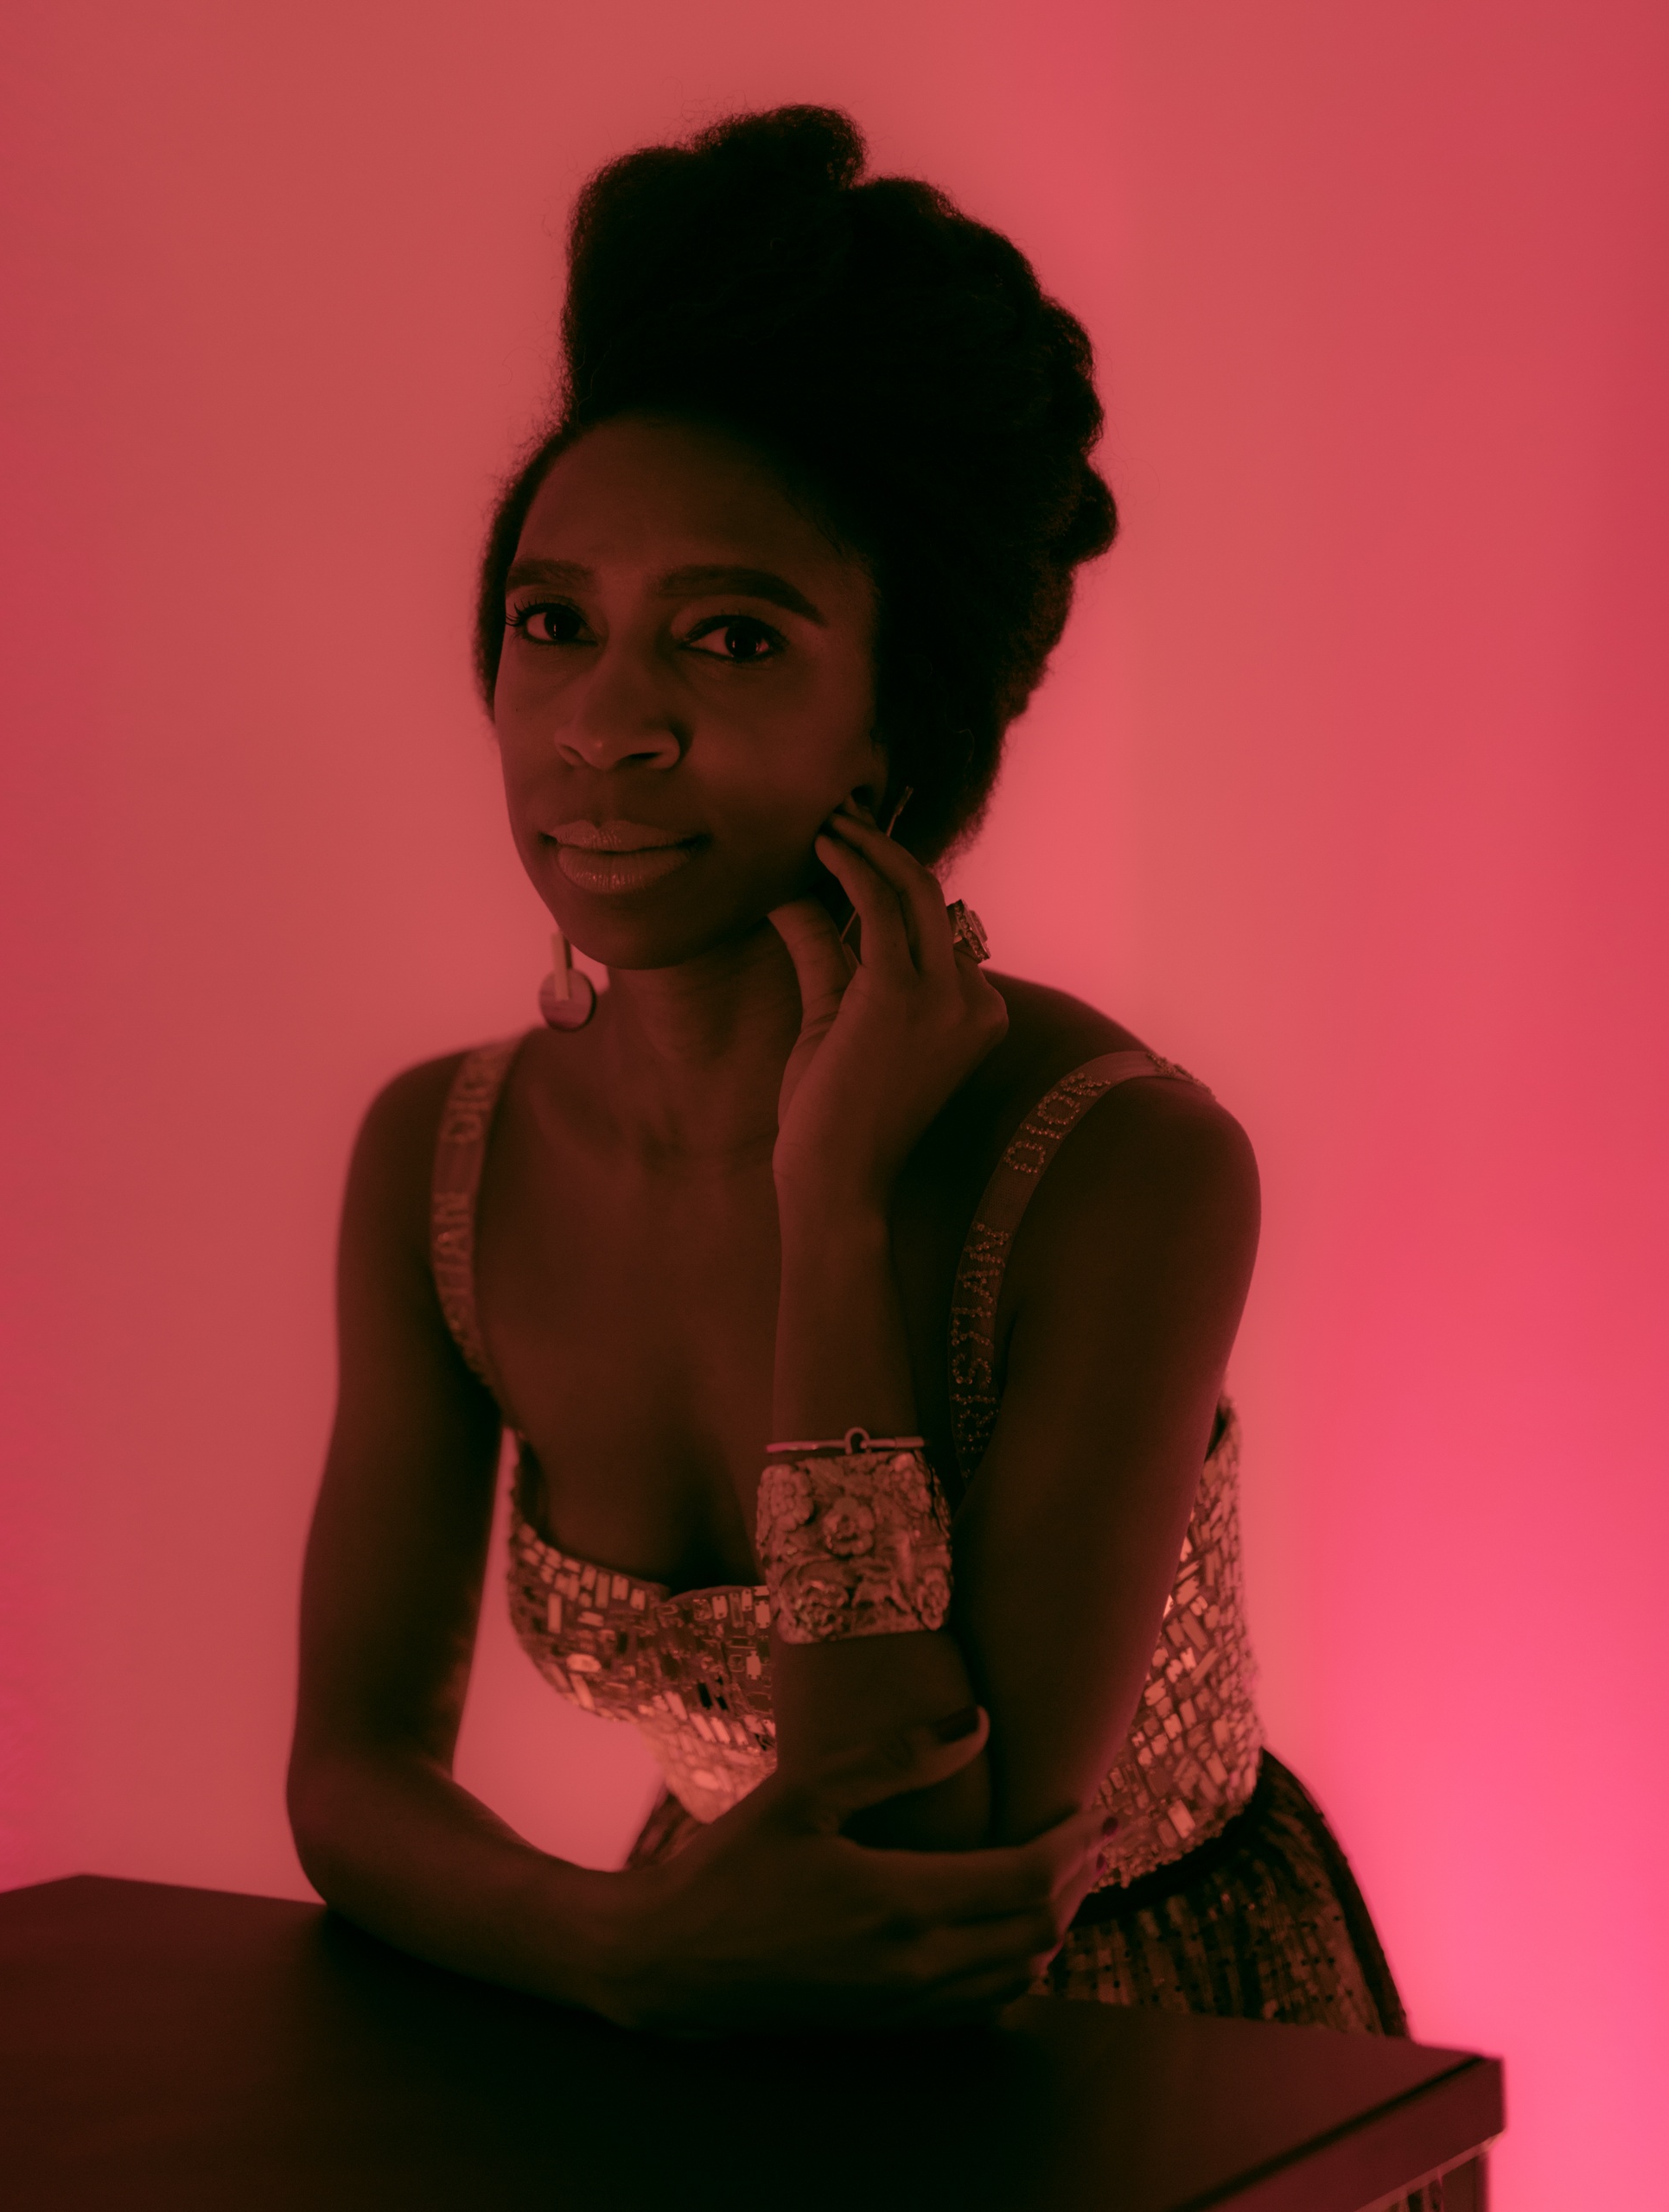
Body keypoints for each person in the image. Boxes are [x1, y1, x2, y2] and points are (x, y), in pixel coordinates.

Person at [287, 106, 1420, 2054]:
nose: (606, 726)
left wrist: (834, 1205)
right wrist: (610, 1947)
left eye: (729, 638)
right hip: (705, 2004)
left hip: (1146, 2056)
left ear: (899, 721)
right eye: (552, 624)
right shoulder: (439, 1166)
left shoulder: (1122, 1165)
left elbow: (928, 1854)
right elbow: (351, 1777)